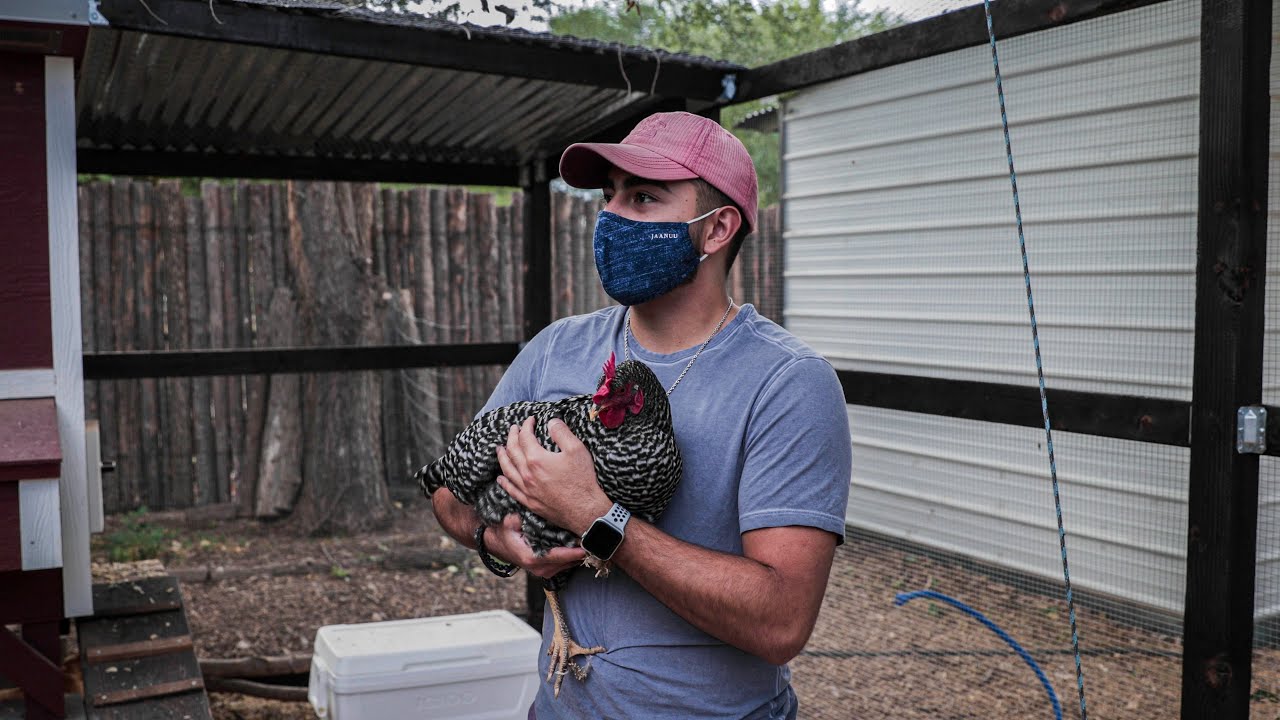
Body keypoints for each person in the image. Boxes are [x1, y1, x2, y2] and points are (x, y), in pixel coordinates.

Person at [429, 111, 852, 719]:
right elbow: (449, 494)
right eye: (610, 196)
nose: (612, 216)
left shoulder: (787, 383)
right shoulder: (556, 350)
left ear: (716, 230)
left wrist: (598, 517)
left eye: (644, 197)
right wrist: (496, 539)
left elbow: (781, 620)